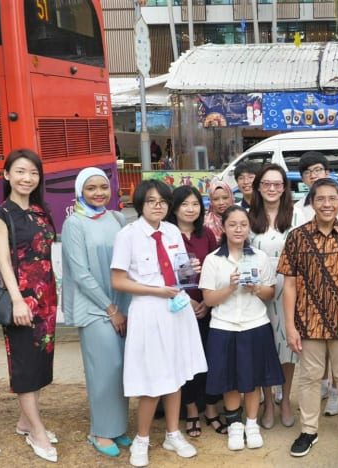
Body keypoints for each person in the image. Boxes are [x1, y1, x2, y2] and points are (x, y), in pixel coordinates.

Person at [111, 179, 206, 467]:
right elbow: (118, 280)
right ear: (140, 203)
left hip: (176, 311)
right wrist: (157, 291)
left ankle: (173, 433)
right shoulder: (128, 235)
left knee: (176, 374)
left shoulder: (172, 231)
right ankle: (142, 439)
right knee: (152, 379)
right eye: (151, 201)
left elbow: (178, 272)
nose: (157, 206)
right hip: (148, 311)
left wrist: (191, 271)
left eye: (163, 201)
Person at [278, 178, 338, 458]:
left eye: (332, 198)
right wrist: (290, 325)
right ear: (312, 202)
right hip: (308, 323)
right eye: (320, 199)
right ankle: (309, 430)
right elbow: (290, 285)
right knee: (308, 378)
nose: (327, 204)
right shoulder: (297, 237)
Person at [0, 149, 58, 463]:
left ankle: (24, 421)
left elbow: (48, 255)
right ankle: (37, 431)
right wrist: (17, 300)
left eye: (32, 172)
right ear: (6, 175)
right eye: (19, 171)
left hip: (47, 299)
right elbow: (3, 261)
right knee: (25, 365)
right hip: (22, 300)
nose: (26, 178)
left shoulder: (42, 211)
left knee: (40, 362)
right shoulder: (0, 215)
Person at [200, 206, 283, 451]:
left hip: (255, 324)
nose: (238, 229)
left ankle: (252, 424)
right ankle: (235, 425)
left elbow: (270, 293)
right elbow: (208, 299)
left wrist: (255, 288)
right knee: (230, 381)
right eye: (233, 224)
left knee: (253, 379)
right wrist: (229, 287)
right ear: (223, 228)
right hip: (223, 327)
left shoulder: (259, 257)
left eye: (243, 224)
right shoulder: (213, 259)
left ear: (249, 227)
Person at [62, 168, 132, 458]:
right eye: (91, 188)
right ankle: (99, 431)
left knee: (122, 369)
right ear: (80, 191)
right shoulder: (74, 223)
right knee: (104, 368)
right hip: (96, 308)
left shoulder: (116, 218)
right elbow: (81, 273)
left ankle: (116, 427)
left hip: (121, 304)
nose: (99, 193)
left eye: (103, 186)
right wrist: (110, 308)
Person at [248, 165, 305, 429]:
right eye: (267, 184)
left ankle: (286, 400)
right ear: (258, 186)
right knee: (262, 344)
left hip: (290, 287)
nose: (272, 189)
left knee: (287, 345)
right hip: (256, 291)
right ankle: (268, 401)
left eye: (278, 184)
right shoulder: (247, 217)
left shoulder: (298, 215)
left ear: (284, 188)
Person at [165, 185, 223, 437]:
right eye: (185, 204)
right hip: (177, 309)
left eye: (195, 204)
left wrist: (206, 303)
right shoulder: (166, 235)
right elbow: (162, 274)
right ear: (174, 207)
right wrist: (187, 301)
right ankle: (190, 410)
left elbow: (217, 269)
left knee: (210, 360)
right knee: (185, 361)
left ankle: (210, 409)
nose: (190, 209)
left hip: (207, 307)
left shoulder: (207, 234)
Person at [293, 151, 338, 224]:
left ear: (327, 173)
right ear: (302, 179)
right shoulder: (298, 208)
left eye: (317, 170)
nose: (313, 176)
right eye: (307, 172)